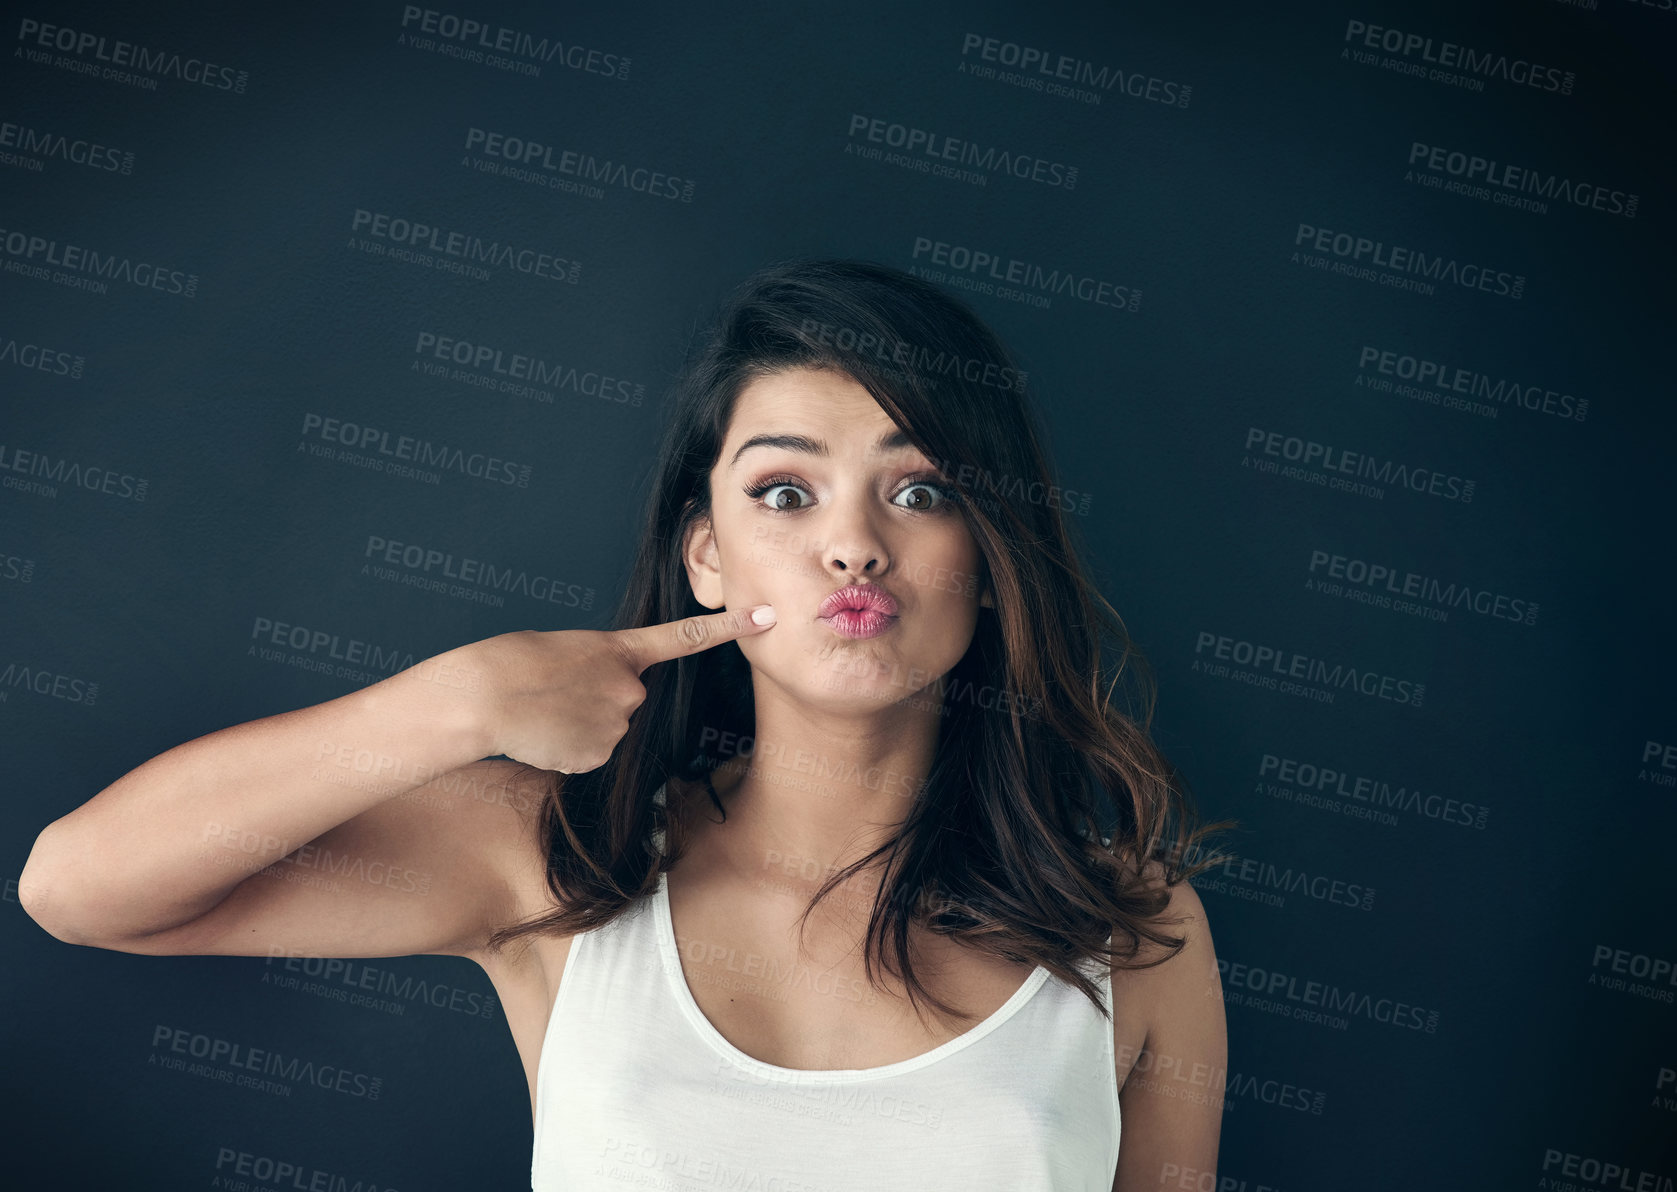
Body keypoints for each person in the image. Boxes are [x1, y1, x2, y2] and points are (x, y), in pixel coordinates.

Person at [21, 258, 1234, 1190]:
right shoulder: (562, 858)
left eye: (918, 490)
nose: (853, 542)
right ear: (706, 553)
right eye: (785, 490)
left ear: (988, 551)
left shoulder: (1132, 927)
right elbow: (79, 888)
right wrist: (453, 703)